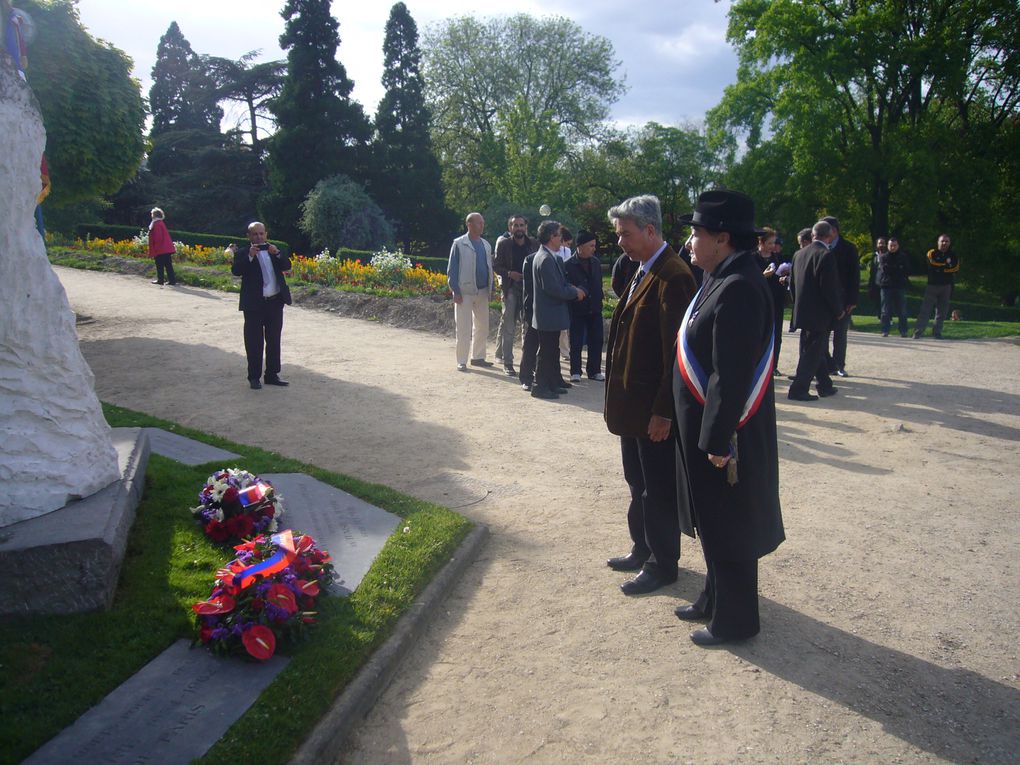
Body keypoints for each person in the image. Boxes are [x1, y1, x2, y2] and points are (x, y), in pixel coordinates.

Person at [672, 189, 785, 647]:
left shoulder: (739, 285)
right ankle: (713, 595)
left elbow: (730, 374)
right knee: (714, 518)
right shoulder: (721, 275)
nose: (691, 241)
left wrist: (718, 439)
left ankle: (736, 621)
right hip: (706, 424)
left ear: (722, 238)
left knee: (730, 521)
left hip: (724, 432)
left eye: (696, 233)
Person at [604, 195, 697, 595]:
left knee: (656, 489)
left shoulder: (673, 276)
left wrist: (664, 412)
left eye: (625, 234)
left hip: (651, 412)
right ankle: (643, 547)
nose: (620, 242)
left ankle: (663, 563)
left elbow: (674, 357)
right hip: (633, 410)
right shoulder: (643, 269)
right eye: (619, 234)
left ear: (650, 230)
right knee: (636, 480)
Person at [228, 222, 292, 390]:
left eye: (261, 233)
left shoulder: (273, 250)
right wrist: (250, 256)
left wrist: (277, 253)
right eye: (255, 234)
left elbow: (287, 265)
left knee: (274, 340)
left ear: (266, 234)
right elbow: (236, 271)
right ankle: (254, 377)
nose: (259, 237)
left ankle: (272, 374)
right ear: (249, 236)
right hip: (254, 305)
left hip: (275, 302)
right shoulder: (243, 252)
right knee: (254, 342)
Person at [788, 220, 843, 401]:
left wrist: (797, 305)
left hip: (802, 309)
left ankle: (825, 385)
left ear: (813, 235)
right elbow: (829, 288)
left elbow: (792, 284)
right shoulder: (825, 255)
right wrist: (838, 310)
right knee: (812, 352)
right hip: (819, 313)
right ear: (830, 235)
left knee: (814, 349)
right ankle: (798, 389)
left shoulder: (799, 254)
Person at [530, 220, 585, 399]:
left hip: (550, 314)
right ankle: (540, 386)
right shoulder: (545, 259)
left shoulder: (550, 256)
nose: (562, 238)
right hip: (548, 314)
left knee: (551, 350)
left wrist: (571, 290)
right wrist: (574, 292)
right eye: (559, 235)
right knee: (546, 351)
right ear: (551, 237)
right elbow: (554, 289)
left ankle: (551, 382)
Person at [447, 212, 494, 371]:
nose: (482, 225)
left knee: (483, 326)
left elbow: (489, 268)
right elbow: (452, 269)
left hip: (482, 291)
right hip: (464, 292)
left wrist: (491, 288)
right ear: (469, 225)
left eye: (483, 222)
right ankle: (461, 360)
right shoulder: (459, 244)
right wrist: (455, 290)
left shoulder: (486, 244)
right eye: (479, 223)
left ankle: (478, 357)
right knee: (463, 327)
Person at [493, 215, 537, 376]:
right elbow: (496, 265)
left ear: (526, 227)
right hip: (511, 288)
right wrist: (510, 273)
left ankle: (528, 362)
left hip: (528, 290)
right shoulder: (504, 244)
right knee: (509, 327)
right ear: (510, 228)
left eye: (521, 225)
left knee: (528, 328)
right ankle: (508, 363)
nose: (519, 228)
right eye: (515, 225)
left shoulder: (534, 244)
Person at [564, 230, 605, 381]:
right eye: (591, 245)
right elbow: (565, 286)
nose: (594, 248)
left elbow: (598, 283)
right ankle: (575, 371)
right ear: (580, 246)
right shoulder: (568, 265)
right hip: (577, 308)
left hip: (595, 307)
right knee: (576, 341)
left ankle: (594, 371)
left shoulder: (595, 262)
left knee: (597, 340)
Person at [821, 215, 859, 377]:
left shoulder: (849, 248)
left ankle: (838, 365)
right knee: (822, 334)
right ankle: (826, 364)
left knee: (840, 334)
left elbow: (854, 276)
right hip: (823, 298)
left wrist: (853, 299)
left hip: (843, 298)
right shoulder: (820, 247)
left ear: (834, 231)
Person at [913, 234, 960, 339]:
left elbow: (955, 268)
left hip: (946, 286)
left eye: (946, 241)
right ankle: (918, 332)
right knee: (925, 310)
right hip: (932, 286)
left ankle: (937, 333)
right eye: (942, 241)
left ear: (949, 243)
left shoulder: (953, 255)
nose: (944, 243)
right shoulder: (932, 253)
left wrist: (941, 268)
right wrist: (946, 266)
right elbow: (932, 264)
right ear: (938, 242)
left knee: (941, 312)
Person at [757, 228, 787, 375]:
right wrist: (764, 276)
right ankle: (758, 364)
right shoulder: (752, 258)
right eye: (769, 243)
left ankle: (773, 365)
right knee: (759, 333)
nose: (772, 246)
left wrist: (784, 277)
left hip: (776, 301)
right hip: (759, 302)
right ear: (761, 242)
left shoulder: (778, 258)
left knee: (776, 335)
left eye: (773, 243)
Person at [876, 237, 910, 337]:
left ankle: (903, 330)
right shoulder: (883, 257)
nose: (893, 247)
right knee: (885, 310)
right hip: (886, 286)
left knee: (902, 310)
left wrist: (896, 269)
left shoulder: (903, 257)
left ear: (898, 246)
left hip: (900, 286)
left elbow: (906, 270)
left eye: (894, 245)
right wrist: (898, 268)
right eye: (891, 245)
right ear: (888, 246)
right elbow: (885, 270)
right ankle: (885, 330)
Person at [148, 207, 177, 286]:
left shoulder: (156, 224)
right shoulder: (160, 223)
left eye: (152, 214)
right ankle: (172, 280)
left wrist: (156, 249)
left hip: (161, 249)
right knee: (168, 265)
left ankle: (160, 280)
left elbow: (158, 238)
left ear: (154, 215)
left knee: (159, 264)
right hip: (166, 248)